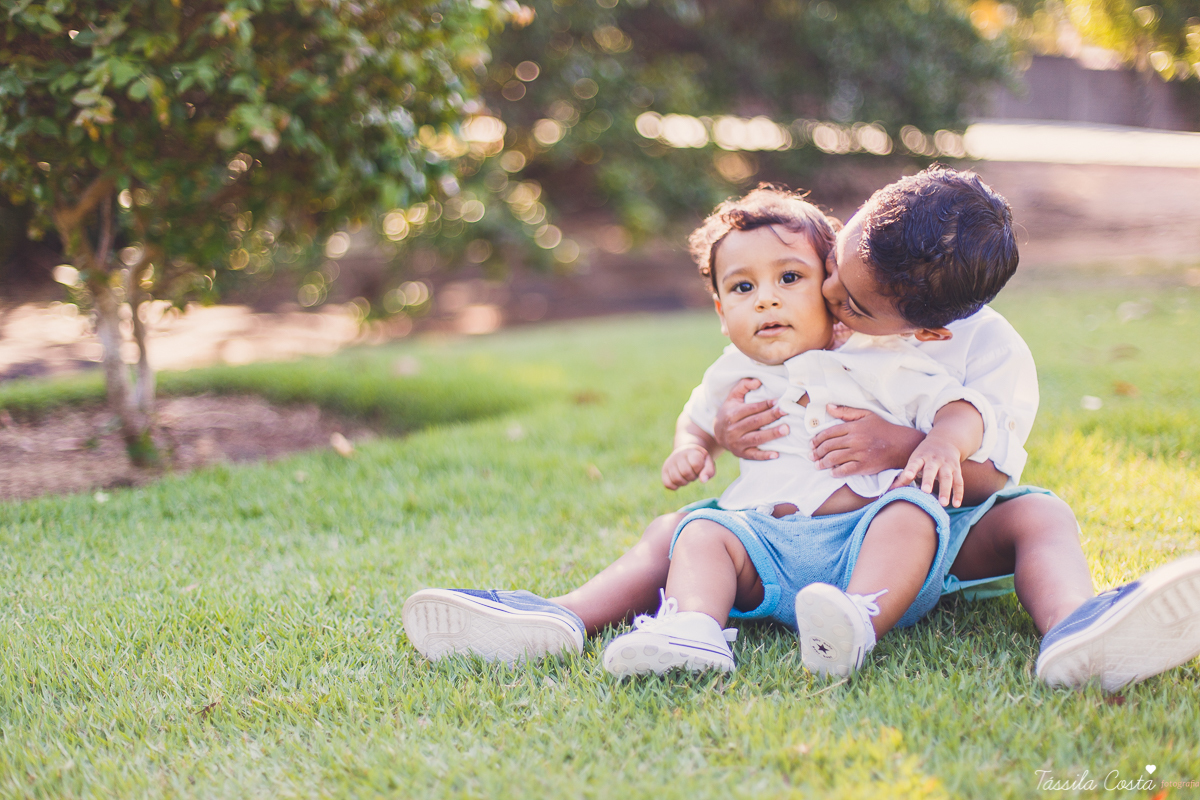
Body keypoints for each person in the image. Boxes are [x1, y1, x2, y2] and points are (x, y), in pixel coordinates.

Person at [404, 186, 996, 678]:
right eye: (743, 288)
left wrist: (944, 440)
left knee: (913, 513)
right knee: (699, 530)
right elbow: (696, 415)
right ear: (719, 310)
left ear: (831, 286)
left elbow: (958, 405)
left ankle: (857, 620)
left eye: (790, 278)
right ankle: (687, 629)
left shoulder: (879, 355)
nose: (766, 299)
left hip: (860, 536)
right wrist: (694, 443)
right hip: (764, 544)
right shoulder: (731, 373)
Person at [713, 166, 1200, 692]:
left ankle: (1074, 627)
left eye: (854, 304)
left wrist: (900, 447)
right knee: (686, 533)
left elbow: (992, 479)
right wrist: (725, 429)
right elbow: (756, 378)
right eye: (834, 262)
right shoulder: (831, 296)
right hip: (814, 524)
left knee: (1042, 513)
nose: (829, 292)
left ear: (929, 332)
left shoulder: (991, 351)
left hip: (932, 528)